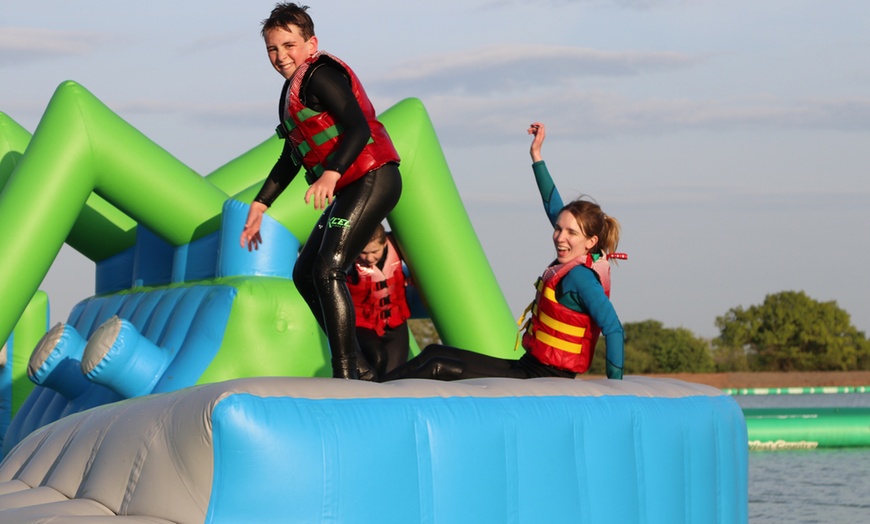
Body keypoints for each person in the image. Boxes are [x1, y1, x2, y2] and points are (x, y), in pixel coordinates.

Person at [383, 122, 624, 381]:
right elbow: (553, 206)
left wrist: (616, 389)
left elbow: (613, 328)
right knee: (434, 353)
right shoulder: (575, 256)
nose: (560, 237)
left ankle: (375, 397)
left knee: (438, 366)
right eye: (558, 229)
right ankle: (375, 390)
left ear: (591, 241)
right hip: (528, 365)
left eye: (571, 233)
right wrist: (537, 156)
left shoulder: (581, 277)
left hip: (545, 377)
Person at [239, 3, 402, 381]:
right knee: (304, 272)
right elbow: (291, 155)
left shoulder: (321, 74)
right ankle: (358, 363)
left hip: (373, 177)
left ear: (311, 44)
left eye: (289, 45)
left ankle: (346, 371)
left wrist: (330, 172)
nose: (281, 56)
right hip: (348, 185)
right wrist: (261, 203)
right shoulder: (290, 93)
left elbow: (358, 127)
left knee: (328, 267)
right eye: (273, 49)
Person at [347, 223, 412, 376]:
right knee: (377, 357)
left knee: (395, 374)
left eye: (375, 251)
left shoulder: (398, 245)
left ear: (384, 243)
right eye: (363, 252)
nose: (369, 258)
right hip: (362, 325)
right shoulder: (349, 262)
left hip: (395, 322)